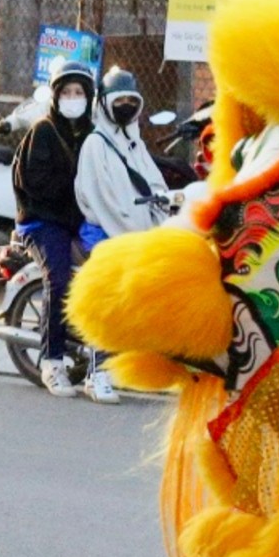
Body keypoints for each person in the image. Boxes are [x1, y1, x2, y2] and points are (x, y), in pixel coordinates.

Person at [72, 68, 175, 403]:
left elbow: (153, 183)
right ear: (104, 104)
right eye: (119, 101)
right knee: (111, 299)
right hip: (105, 233)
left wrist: (168, 203)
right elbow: (103, 200)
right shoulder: (95, 144)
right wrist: (132, 232)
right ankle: (97, 374)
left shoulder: (134, 143)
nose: (126, 106)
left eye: (132, 101)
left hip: (134, 234)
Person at [12, 59, 96, 399]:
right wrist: (76, 190)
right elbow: (35, 183)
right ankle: (52, 361)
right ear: (56, 96)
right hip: (44, 222)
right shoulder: (43, 131)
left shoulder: (92, 134)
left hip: (80, 220)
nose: (73, 98)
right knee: (58, 278)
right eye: (67, 92)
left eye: (79, 92)